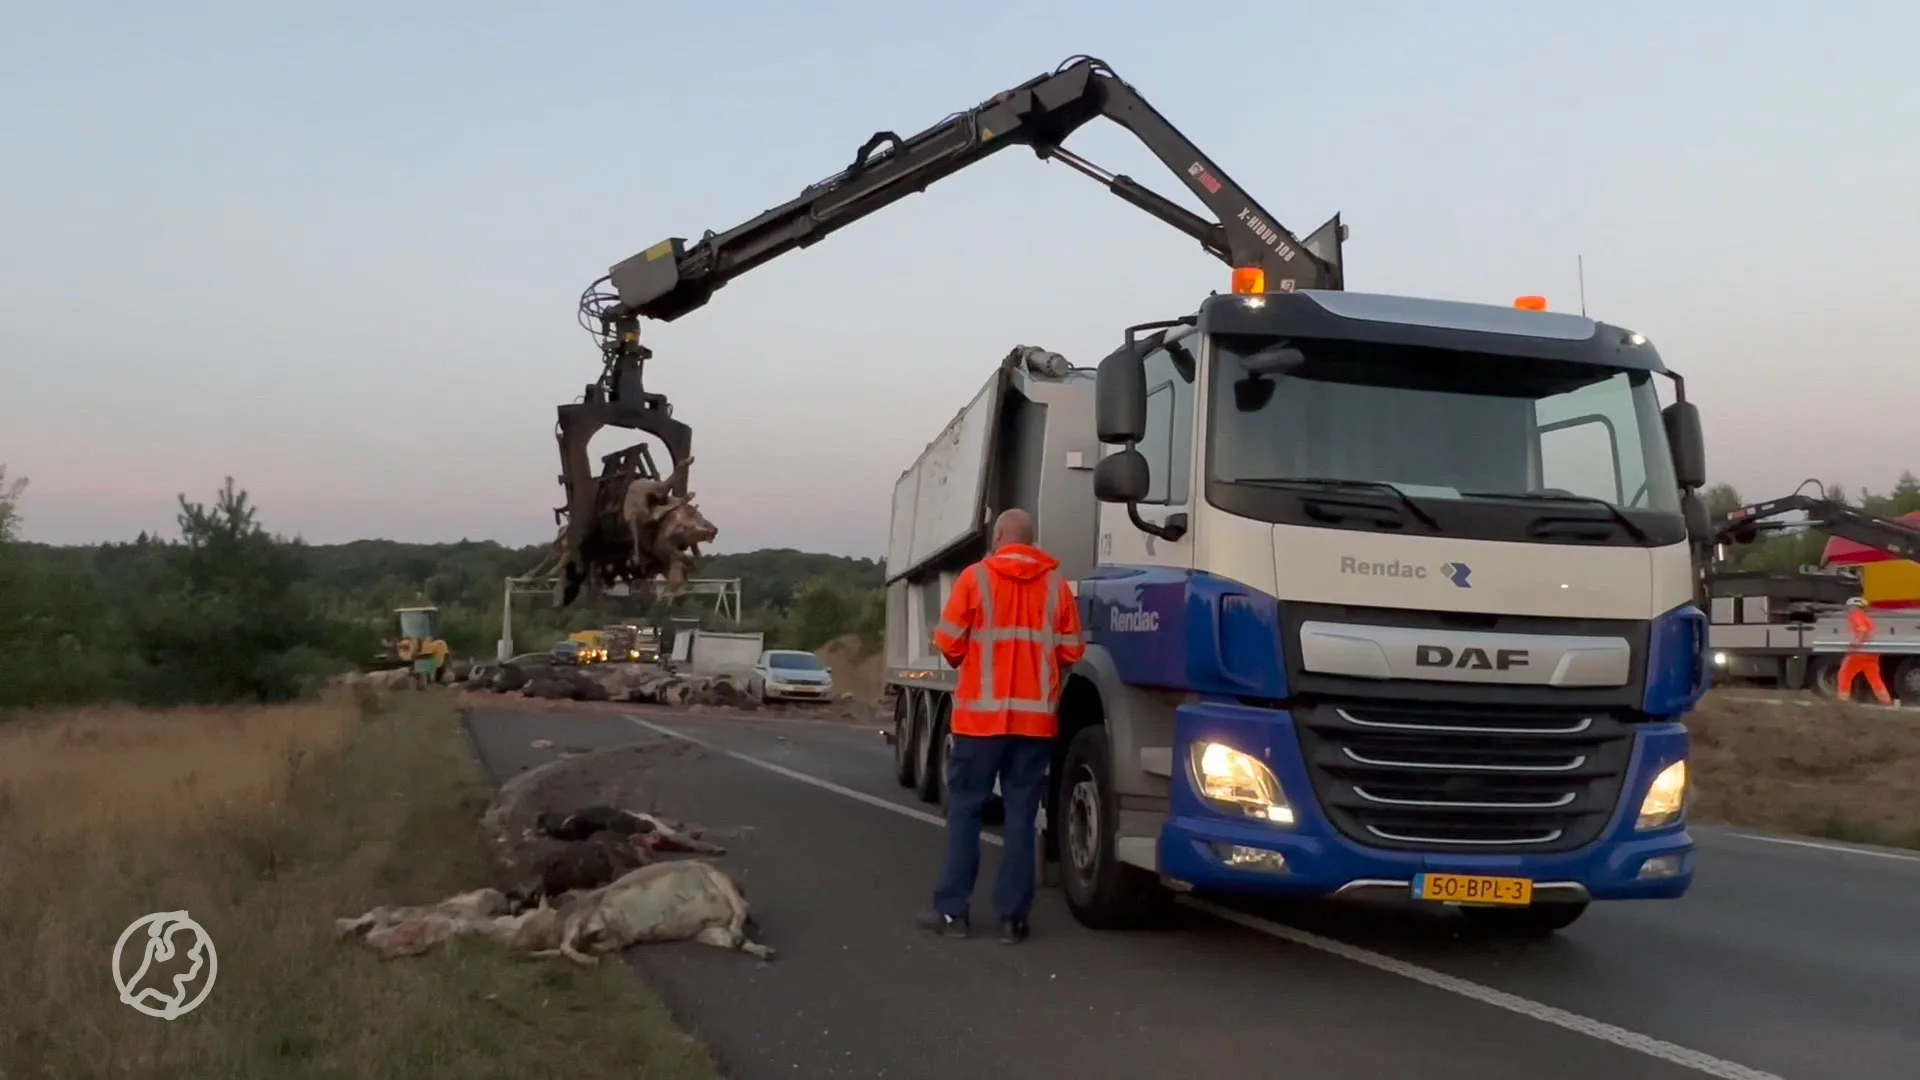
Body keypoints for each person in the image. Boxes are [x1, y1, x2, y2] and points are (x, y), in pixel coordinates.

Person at [917, 508, 1085, 944]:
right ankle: (1014, 920)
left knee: (966, 814)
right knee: (1021, 818)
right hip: (1033, 725)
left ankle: (954, 915)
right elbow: (1071, 651)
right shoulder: (1057, 587)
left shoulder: (976, 578)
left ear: (998, 539)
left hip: (979, 724)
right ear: (1031, 541)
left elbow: (948, 642)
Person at [1837, 596, 1894, 705]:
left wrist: (1856, 643)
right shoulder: (1867, 618)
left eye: (1850, 607)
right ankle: (1886, 702)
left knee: (1844, 674)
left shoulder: (1856, 615)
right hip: (1871, 653)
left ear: (1855, 607)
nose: (1848, 610)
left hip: (1860, 652)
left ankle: (1842, 702)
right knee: (1875, 679)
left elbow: (1861, 629)